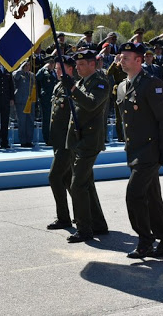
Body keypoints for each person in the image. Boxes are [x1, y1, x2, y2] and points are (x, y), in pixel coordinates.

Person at [116, 42, 163, 258]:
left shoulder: (152, 84)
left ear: (139, 60)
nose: (121, 60)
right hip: (134, 150)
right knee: (152, 198)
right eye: (120, 57)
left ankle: (145, 241)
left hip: (150, 151)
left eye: (126, 57)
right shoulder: (123, 86)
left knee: (134, 195)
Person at [61, 50, 110, 242]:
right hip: (76, 139)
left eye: (82, 65)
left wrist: (73, 89)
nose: (78, 68)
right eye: (77, 65)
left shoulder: (100, 82)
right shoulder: (81, 83)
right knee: (86, 184)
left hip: (89, 140)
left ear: (92, 64)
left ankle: (84, 228)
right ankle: (98, 224)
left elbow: (91, 104)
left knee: (78, 184)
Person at [46, 56, 77, 230]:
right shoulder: (59, 86)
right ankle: (82, 214)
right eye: (56, 68)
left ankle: (64, 218)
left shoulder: (73, 87)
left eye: (60, 69)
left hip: (67, 142)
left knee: (54, 176)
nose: (57, 72)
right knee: (66, 179)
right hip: (58, 141)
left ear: (70, 69)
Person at [13, 60, 36, 147]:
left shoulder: (32, 75)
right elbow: (15, 77)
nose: (27, 67)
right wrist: (20, 68)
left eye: (28, 65)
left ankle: (29, 140)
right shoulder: (18, 73)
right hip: (21, 101)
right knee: (22, 122)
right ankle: (23, 141)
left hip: (30, 102)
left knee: (30, 121)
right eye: (25, 65)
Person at [35, 56, 57, 146]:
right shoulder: (43, 71)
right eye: (51, 63)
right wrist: (43, 68)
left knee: (53, 118)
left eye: (53, 63)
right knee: (46, 118)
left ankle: (53, 137)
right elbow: (36, 78)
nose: (52, 65)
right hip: (45, 98)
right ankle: (47, 138)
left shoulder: (54, 72)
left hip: (53, 97)